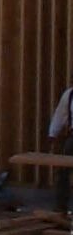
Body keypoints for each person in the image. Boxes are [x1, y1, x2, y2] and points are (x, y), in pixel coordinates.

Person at [48, 81, 73, 213]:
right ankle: (61, 206)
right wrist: (53, 134)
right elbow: (60, 115)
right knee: (63, 171)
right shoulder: (69, 95)